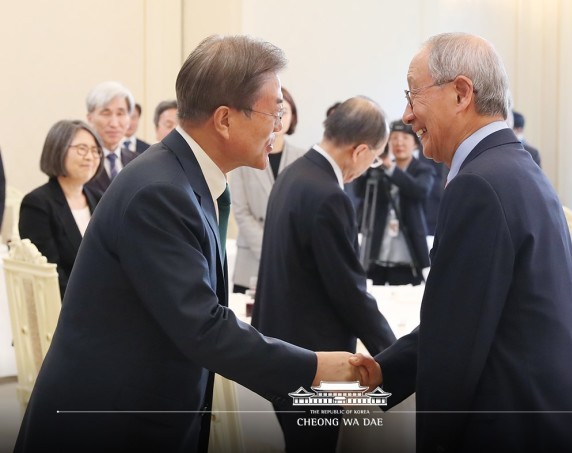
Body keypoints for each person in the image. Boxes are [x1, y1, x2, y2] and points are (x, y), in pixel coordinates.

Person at [14, 35, 363, 453]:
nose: (279, 126)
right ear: (224, 119)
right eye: (275, 111)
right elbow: (203, 325)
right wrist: (314, 367)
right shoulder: (159, 191)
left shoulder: (184, 178)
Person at [350, 32, 572, 452]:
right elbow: (463, 318)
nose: (407, 116)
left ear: (461, 93)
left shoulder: (478, 184)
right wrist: (375, 375)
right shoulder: (514, 167)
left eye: (413, 96)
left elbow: (455, 350)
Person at [252, 96, 397, 452]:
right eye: (374, 158)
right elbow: (349, 290)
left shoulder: (292, 173)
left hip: (280, 346)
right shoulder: (329, 195)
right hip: (315, 359)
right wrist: (393, 354)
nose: (369, 166)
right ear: (361, 150)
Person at [230, 87, 305, 294]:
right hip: (252, 261)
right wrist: (271, 250)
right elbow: (241, 212)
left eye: (284, 112)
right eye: (274, 112)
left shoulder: (304, 159)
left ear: (293, 117)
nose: (279, 118)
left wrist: (284, 251)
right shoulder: (244, 157)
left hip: (292, 260)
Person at [18, 120, 103, 297]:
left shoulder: (100, 198)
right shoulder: (37, 204)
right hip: (67, 305)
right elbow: (50, 276)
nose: (90, 157)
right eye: (82, 149)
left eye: (95, 150)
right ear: (58, 149)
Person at [355, 120, 432, 285]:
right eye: (395, 138)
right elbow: (358, 192)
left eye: (405, 138)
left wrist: (391, 169)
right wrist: (365, 162)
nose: (399, 143)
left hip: (408, 253)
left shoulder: (423, 170)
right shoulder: (378, 167)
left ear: (415, 145)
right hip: (378, 251)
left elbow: (419, 191)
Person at [84, 81, 139, 197]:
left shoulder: (138, 160)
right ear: (90, 119)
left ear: (128, 119)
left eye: (120, 113)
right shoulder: (83, 161)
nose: (114, 123)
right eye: (106, 113)